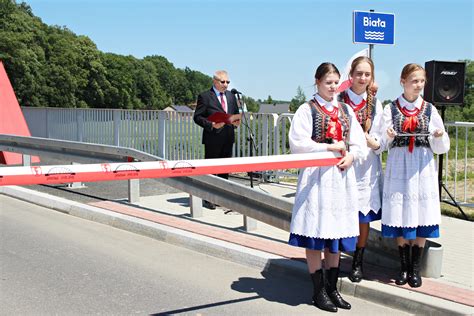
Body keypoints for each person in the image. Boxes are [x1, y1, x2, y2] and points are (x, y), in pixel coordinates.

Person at [288, 62, 367, 312]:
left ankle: (333, 289)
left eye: (335, 83)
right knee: (316, 235)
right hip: (316, 179)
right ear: (317, 82)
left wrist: (352, 156)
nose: (332, 87)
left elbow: (359, 143)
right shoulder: (307, 109)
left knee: (335, 235)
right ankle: (318, 290)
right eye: (328, 83)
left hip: (341, 179)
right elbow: (297, 143)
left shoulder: (345, 110)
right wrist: (327, 147)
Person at [380, 63, 450, 288]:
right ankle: (402, 266)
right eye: (414, 81)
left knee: (421, 212)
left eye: (421, 81)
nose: (418, 85)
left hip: (422, 165)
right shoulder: (390, 109)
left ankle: (415, 268)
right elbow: (380, 142)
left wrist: (438, 135)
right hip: (400, 164)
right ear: (403, 81)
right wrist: (388, 136)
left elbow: (440, 147)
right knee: (400, 211)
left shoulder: (429, 109)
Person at [337, 56, 383, 283]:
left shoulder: (376, 104)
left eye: (367, 74)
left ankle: (357, 261)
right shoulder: (338, 100)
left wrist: (371, 140)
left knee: (362, 216)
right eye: (359, 74)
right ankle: (335, 257)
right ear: (351, 75)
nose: (362, 78)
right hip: (343, 162)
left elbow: (381, 137)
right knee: (339, 210)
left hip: (365, 166)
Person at [193, 70, 241, 209]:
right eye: (223, 82)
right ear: (215, 81)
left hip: (228, 136)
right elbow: (197, 117)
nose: (226, 85)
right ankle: (208, 198)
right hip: (213, 138)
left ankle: (221, 197)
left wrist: (236, 121)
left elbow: (235, 114)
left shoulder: (231, 97)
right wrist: (211, 124)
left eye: (227, 82)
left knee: (224, 168)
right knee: (211, 168)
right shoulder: (205, 96)